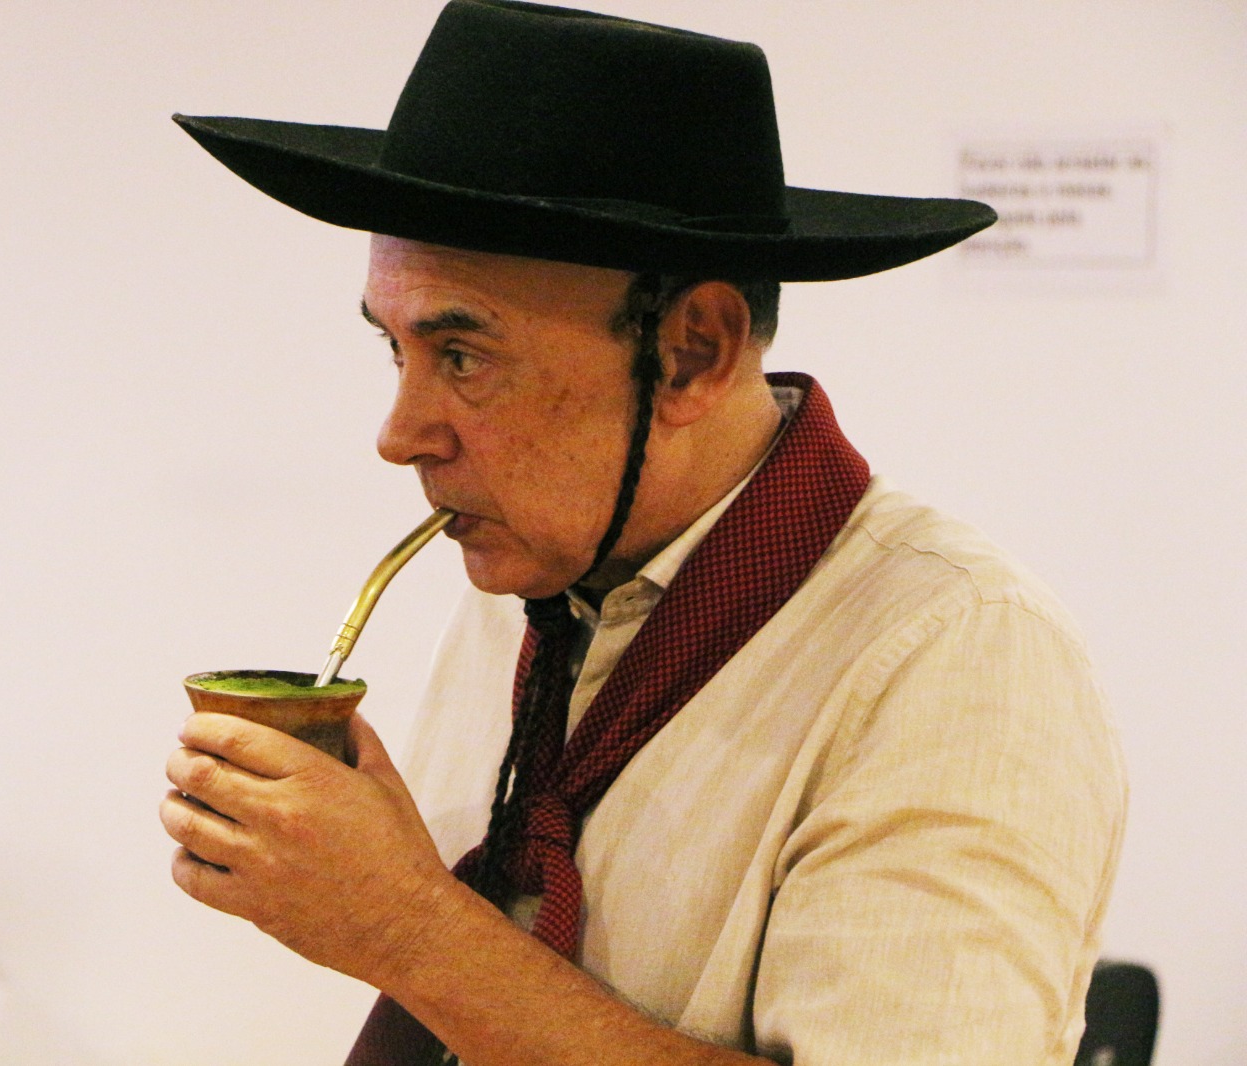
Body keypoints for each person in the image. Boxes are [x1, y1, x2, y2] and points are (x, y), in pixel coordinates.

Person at [158, 3, 1127, 1064]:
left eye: (464, 357)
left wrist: (408, 929)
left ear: (690, 352)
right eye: (397, 351)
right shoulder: (527, 594)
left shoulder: (957, 655)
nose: (399, 437)